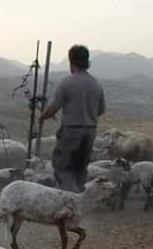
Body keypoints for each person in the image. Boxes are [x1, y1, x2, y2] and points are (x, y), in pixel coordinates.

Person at [39, 44, 105, 193]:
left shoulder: (67, 82)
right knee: (80, 169)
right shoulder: (96, 84)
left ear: (71, 61)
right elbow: (101, 110)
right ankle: (79, 199)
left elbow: (54, 107)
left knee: (62, 167)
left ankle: (70, 199)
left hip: (71, 132)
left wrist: (43, 117)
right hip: (90, 132)